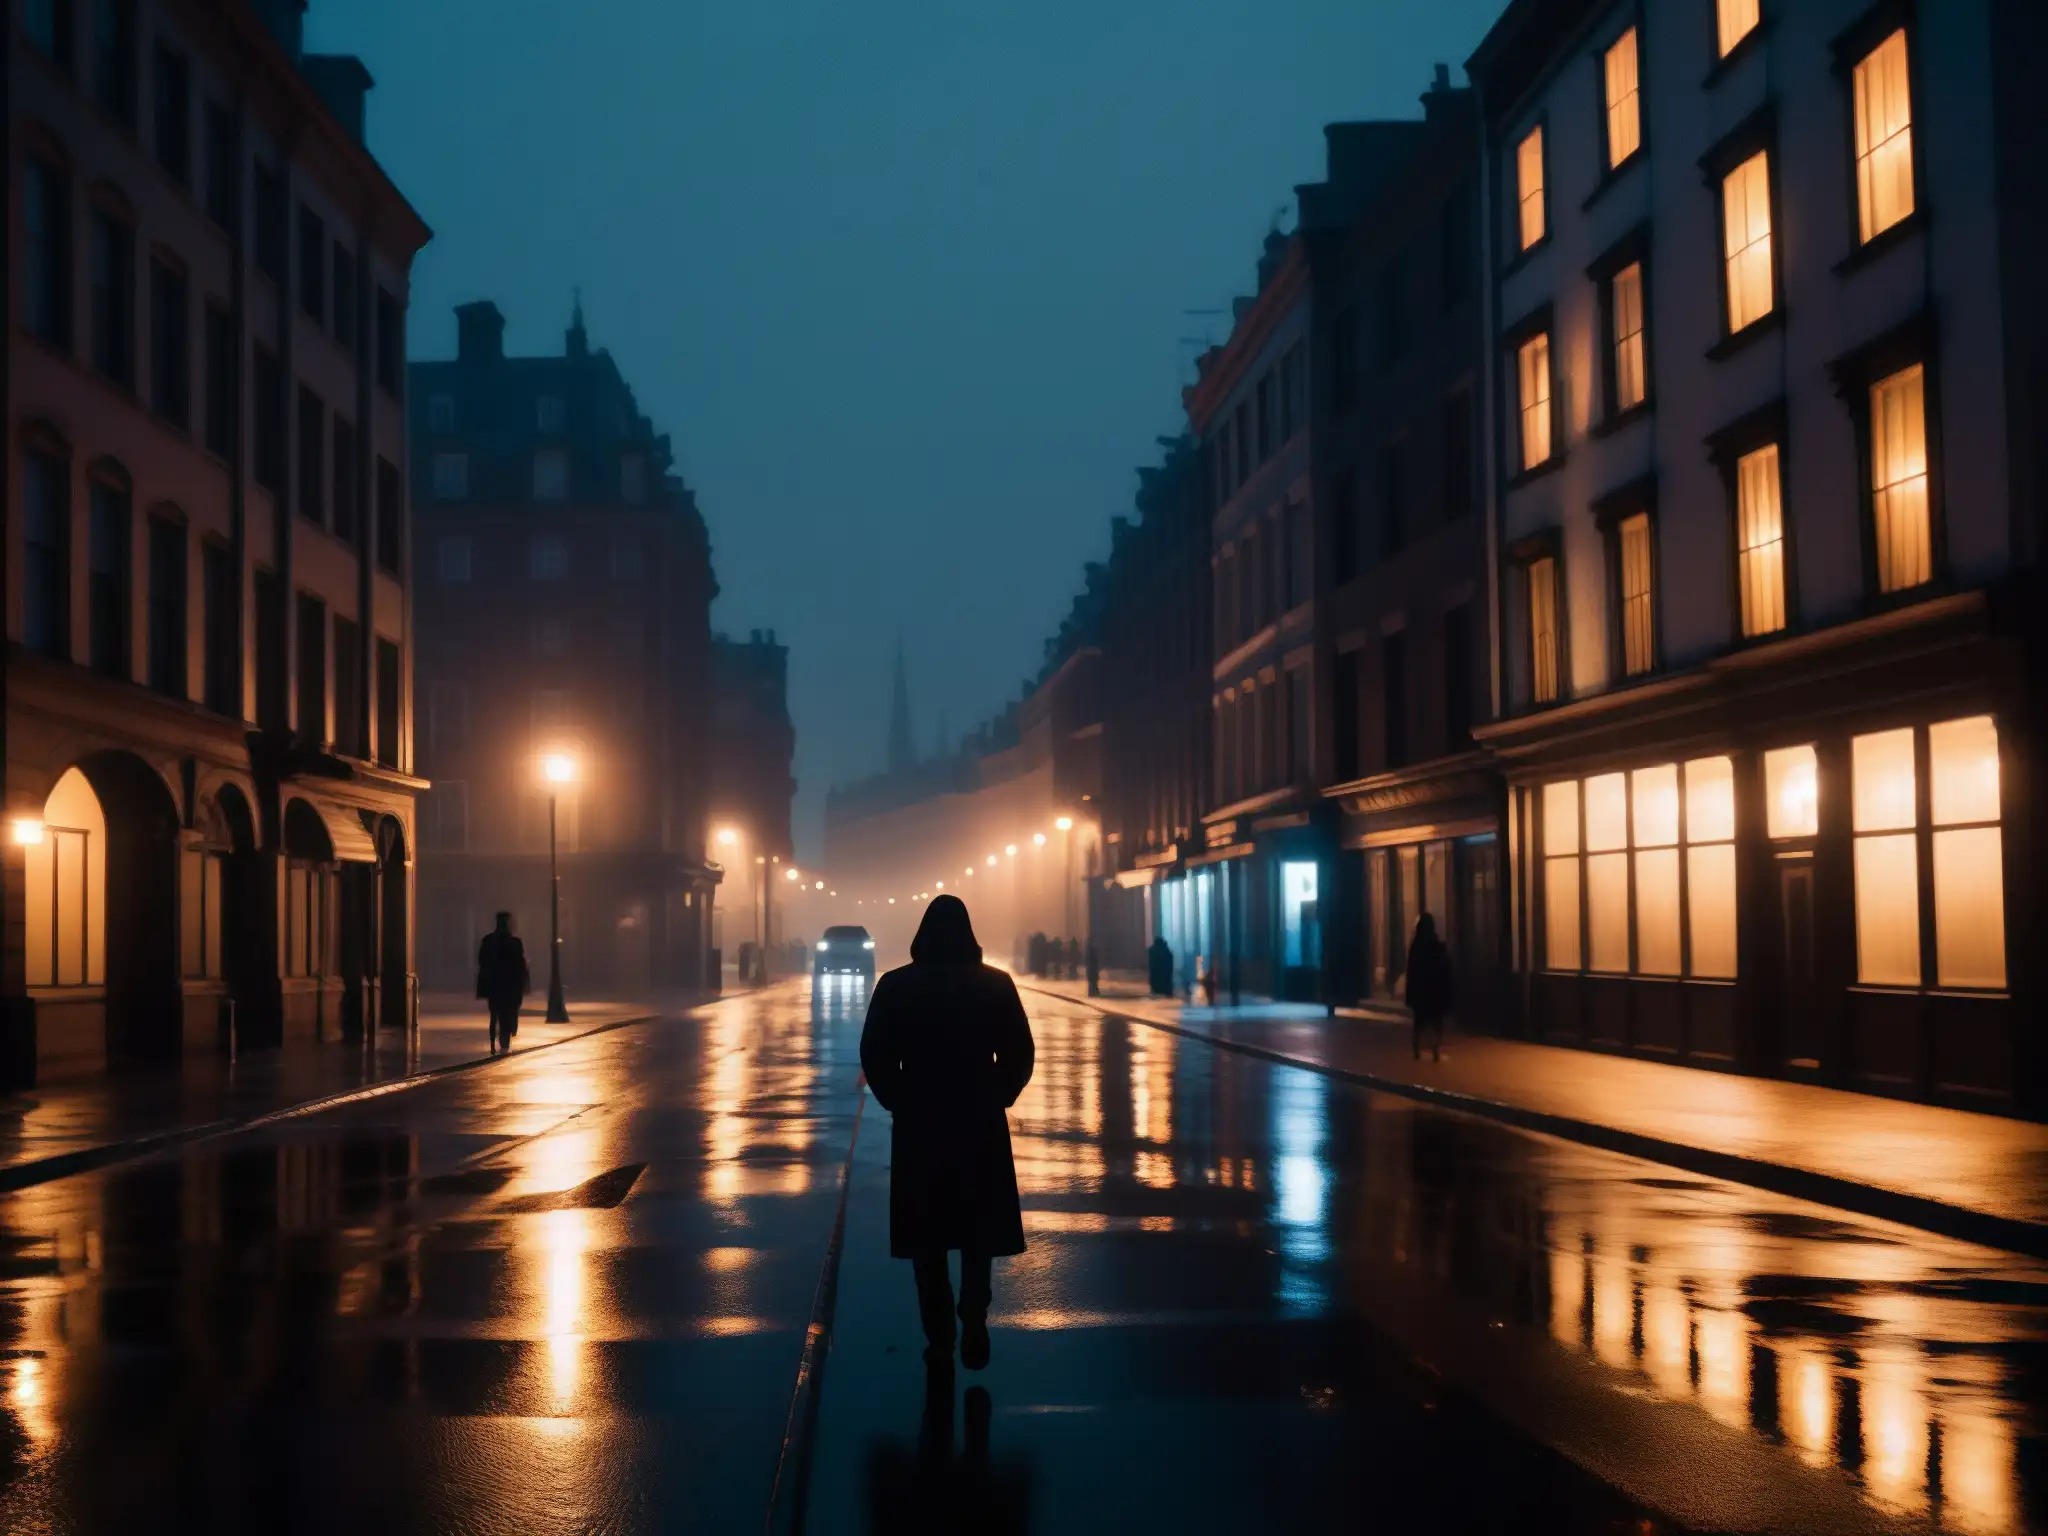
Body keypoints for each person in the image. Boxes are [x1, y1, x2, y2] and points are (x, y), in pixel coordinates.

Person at [860, 895, 1035, 1373]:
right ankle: (974, 1315)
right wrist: (1000, 1094)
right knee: (978, 1230)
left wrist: (899, 1098)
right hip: (979, 1123)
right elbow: (1020, 1051)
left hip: (921, 1125)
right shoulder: (995, 985)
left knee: (928, 1234)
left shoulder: (896, 987)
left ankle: (939, 1334)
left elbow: (874, 1053)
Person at [477, 913, 530, 1055]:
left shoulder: (488, 941)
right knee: (508, 1011)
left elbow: (482, 962)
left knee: (495, 1014)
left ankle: (494, 1043)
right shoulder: (515, 942)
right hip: (509, 985)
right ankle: (505, 1037)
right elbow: (521, 966)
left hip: (495, 984)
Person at [1405, 912, 1455, 1063]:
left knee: (1419, 1022)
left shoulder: (1416, 946)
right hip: (1433, 989)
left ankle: (1417, 1049)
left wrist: (1410, 993)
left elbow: (1411, 971)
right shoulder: (1436, 945)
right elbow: (1445, 968)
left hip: (1421, 990)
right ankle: (1435, 1049)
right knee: (1436, 1022)